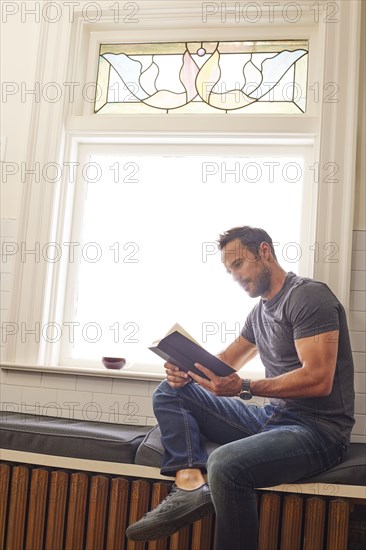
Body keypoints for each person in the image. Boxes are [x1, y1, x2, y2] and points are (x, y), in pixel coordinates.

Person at [126, 225, 355, 550]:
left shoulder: (308, 296)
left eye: (238, 264)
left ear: (264, 251)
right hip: (272, 420)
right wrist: (184, 370)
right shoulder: (258, 313)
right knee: (169, 390)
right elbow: (225, 362)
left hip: (318, 431)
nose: (234, 275)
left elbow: (319, 379)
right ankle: (190, 485)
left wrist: (244, 386)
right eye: (229, 270)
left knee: (224, 463)